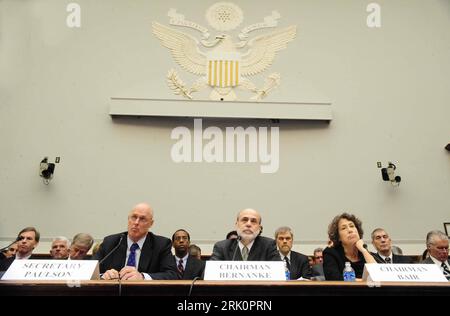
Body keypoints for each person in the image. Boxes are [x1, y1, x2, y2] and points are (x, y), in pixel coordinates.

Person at [93, 202, 177, 280]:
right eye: (134, 217)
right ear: (128, 219)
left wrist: (142, 277)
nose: (136, 222)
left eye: (142, 219)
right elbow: (89, 270)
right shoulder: (111, 242)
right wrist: (102, 276)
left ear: (151, 223)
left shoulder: (161, 244)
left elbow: (172, 275)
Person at [210, 208, 280, 261]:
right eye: (244, 220)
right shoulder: (222, 247)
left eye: (253, 221)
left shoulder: (268, 246)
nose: (248, 224)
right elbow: (209, 274)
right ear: (236, 225)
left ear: (259, 228)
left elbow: (279, 274)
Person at [323, 213, 376, 281]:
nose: (350, 230)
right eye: (344, 228)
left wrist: (364, 250)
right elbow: (334, 278)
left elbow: (377, 274)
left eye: (352, 226)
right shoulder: (331, 253)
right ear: (338, 237)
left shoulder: (364, 252)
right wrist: (363, 281)